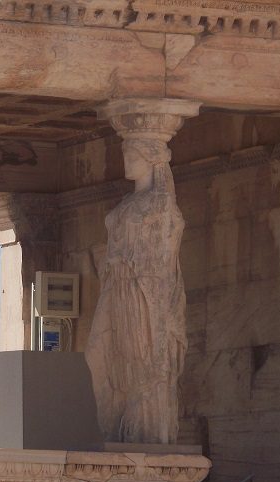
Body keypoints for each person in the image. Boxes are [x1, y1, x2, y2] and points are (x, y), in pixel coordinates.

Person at [85, 138, 186, 444]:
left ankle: (146, 428)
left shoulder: (161, 202)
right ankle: (114, 425)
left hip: (143, 290)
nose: (127, 160)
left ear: (151, 159)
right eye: (126, 154)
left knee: (144, 357)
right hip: (117, 285)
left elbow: (166, 251)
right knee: (96, 353)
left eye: (133, 155)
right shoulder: (128, 203)